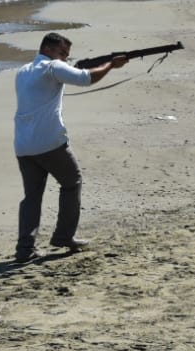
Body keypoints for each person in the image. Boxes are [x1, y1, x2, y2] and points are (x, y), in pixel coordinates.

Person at [12, 33, 129, 263]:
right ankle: (64, 237)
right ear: (48, 49)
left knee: (32, 197)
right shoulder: (52, 67)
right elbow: (86, 78)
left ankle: (24, 249)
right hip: (49, 141)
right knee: (72, 183)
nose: (65, 58)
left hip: (23, 144)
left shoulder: (23, 71)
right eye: (62, 53)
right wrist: (111, 65)